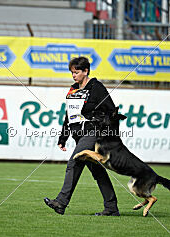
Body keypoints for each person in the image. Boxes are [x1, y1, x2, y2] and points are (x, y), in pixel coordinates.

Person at [44, 57, 120, 216]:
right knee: (98, 172)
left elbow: (112, 111)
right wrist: (63, 137)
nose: (73, 75)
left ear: (86, 71)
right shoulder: (73, 89)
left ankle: (61, 202)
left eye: (76, 72)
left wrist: (105, 131)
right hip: (78, 135)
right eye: (72, 72)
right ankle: (111, 208)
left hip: (93, 133)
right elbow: (69, 115)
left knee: (75, 161)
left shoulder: (97, 88)